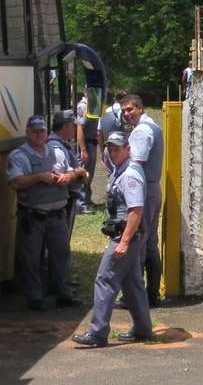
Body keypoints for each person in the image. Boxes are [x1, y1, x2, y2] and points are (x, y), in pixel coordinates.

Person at [71, 132, 153, 347]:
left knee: (105, 280)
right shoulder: (121, 170)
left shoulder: (129, 175)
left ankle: (97, 332)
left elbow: (136, 211)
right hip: (128, 235)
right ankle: (143, 329)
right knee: (132, 282)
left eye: (117, 148)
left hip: (126, 236)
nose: (113, 152)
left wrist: (124, 241)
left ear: (128, 149)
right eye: (110, 148)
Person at [7, 115, 86, 311]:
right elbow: (15, 182)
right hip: (34, 216)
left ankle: (63, 294)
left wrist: (67, 177)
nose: (40, 135)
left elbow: (73, 171)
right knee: (31, 258)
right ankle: (35, 298)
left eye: (42, 131)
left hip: (58, 215)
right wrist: (40, 177)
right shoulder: (19, 156)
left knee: (61, 255)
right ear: (27, 133)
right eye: (35, 131)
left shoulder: (56, 152)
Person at [122, 94, 164, 307]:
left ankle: (138, 297)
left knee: (139, 241)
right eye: (124, 111)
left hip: (143, 189)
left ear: (140, 108)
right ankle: (151, 294)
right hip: (151, 187)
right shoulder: (151, 126)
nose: (127, 114)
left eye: (130, 109)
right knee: (149, 241)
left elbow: (136, 163)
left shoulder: (142, 131)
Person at [46, 110, 86, 236]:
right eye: (72, 126)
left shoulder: (62, 144)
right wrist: (79, 172)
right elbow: (59, 177)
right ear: (64, 126)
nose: (74, 129)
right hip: (63, 200)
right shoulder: (55, 148)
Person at [75, 90, 99, 214]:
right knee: (83, 174)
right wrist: (83, 149)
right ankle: (81, 205)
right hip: (86, 143)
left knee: (90, 174)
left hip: (92, 143)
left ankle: (87, 199)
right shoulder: (83, 106)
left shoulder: (92, 105)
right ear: (85, 92)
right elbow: (79, 128)